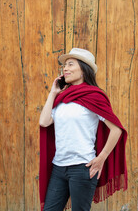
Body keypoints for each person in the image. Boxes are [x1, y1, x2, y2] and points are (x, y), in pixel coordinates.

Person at [39, 48, 128, 211]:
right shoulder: (62, 98)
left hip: (83, 167)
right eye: (64, 66)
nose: (65, 68)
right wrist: (52, 93)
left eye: (70, 64)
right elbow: (44, 122)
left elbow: (116, 130)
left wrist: (101, 158)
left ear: (83, 69)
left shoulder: (94, 96)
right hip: (59, 167)